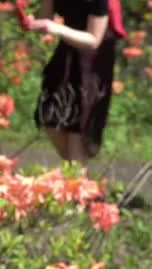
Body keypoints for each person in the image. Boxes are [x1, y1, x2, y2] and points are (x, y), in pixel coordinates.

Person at [28, 0, 127, 162]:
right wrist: (30, 20)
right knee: (48, 116)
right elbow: (45, 19)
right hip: (67, 49)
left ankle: (76, 171)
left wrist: (57, 29)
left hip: (93, 60)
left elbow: (94, 40)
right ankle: (76, 168)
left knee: (77, 123)